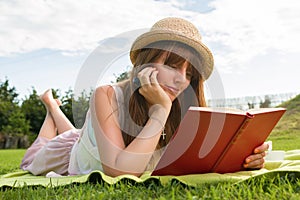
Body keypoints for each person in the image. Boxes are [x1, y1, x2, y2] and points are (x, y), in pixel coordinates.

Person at [20, 17, 268, 177]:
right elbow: (118, 170)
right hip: (70, 152)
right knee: (36, 153)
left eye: (189, 73)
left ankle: (54, 108)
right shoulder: (106, 94)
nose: (181, 79)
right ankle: (51, 107)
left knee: (78, 131)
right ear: (146, 62)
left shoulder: (186, 107)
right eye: (172, 65)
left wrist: (248, 154)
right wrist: (160, 111)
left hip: (89, 137)